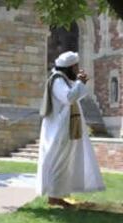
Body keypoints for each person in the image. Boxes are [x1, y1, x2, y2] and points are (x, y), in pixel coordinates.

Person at [37, 51, 105, 207]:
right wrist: (80, 84)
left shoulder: (63, 80)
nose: (77, 70)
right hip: (60, 131)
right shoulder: (57, 81)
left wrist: (80, 84)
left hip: (65, 129)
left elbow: (75, 97)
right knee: (59, 163)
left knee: (64, 163)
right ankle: (54, 197)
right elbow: (68, 98)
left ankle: (57, 196)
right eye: (75, 67)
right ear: (69, 67)